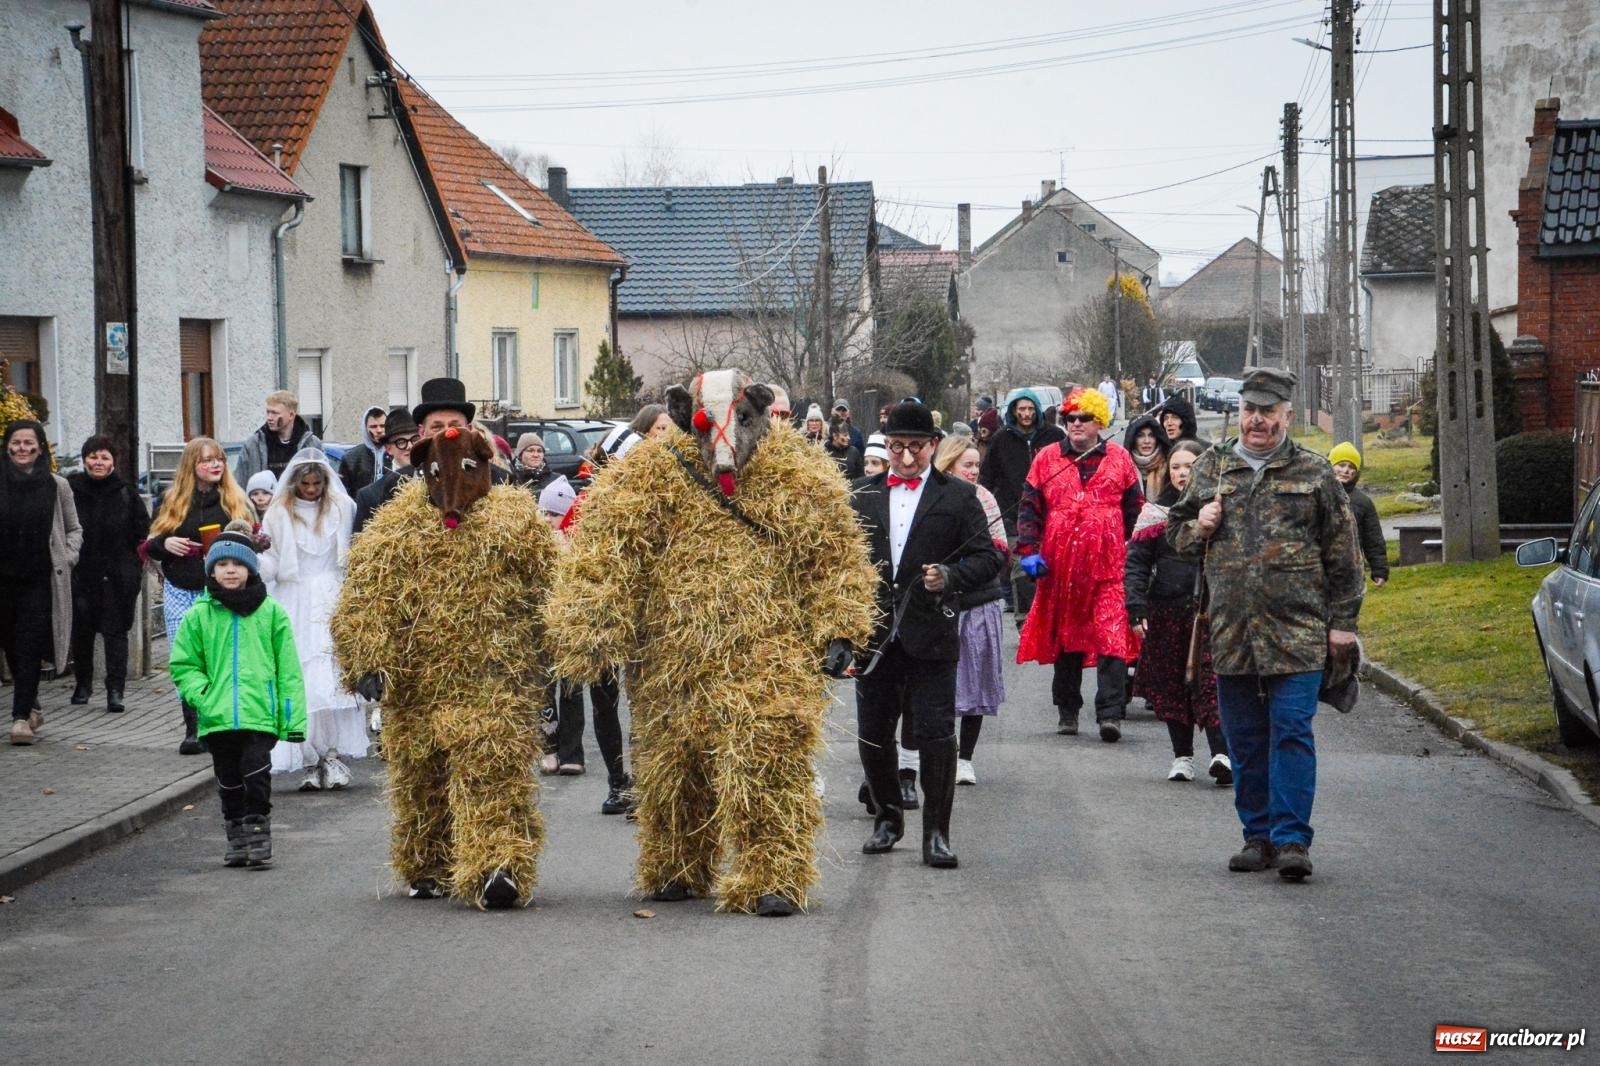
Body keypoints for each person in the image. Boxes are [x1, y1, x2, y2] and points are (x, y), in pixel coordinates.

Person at [545, 369, 878, 916]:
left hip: (766, 654)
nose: (724, 441)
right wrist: (591, 626)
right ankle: (677, 864)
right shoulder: (650, 476)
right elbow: (608, 554)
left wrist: (841, 625)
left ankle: (772, 873)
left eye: (742, 421)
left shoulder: (799, 476)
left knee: (767, 759)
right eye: (706, 426)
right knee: (673, 764)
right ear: (682, 419)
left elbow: (834, 557)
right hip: (671, 657)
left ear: (761, 414)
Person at [332, 377, 561, 909]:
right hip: (417, 680)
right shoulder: (397, 520)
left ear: (473, 433)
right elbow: (366, 595)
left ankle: (496, 864)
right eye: (435, 428)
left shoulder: (512, 515)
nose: (446, 435)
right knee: (423, 778)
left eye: (454, 425)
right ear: (418, 443)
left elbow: (551, 580)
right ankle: (428, 861)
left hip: (494, 675)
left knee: (494, 771)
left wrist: (563, 639)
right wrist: (367, 658)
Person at [1167, 368, 1363, 881]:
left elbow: (1344, 555)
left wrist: (1343, 625)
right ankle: (1257, 836)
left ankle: (1292, 838)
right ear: (1241, 413)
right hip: (1231, 630)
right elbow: (1173, 531)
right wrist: (1197, 526)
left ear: (1286, 415)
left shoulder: (1315, 473)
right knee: (1245, 740)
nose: (1257, 420)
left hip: (1297, 631)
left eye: (1268, 411)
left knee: (1292, 732)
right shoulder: (1214, 466)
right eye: (1250, 410)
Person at [849, 401, 1005, 869]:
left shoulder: (958, 497)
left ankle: (936, 833)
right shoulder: (860, 495)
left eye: (916, 447)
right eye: (897, 448)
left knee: (937, 734)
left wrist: (949, 576)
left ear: (933, 446)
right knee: (874, 732)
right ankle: (888, 819)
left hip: (932, 631)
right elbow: (838, 565)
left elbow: (988, 559)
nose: (907, 458)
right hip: (874, 634)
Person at [169, 524, 306, 868]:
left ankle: (258, 831)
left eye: (238, 564)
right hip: (218, 717)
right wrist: (203, 695)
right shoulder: (199, 615)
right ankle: (236, 834)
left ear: (251, 569)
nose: (230, 570)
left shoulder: (271, 613)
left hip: (259, 712)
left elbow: (288, 669)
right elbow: (184, 664)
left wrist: (292, 719)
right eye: (222, 564)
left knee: (255, 774)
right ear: (212, 570)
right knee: (229, 781)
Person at [1016, 386, 1142, 741]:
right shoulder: (1046, 459)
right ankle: (1067, 709)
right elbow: (1028, 507)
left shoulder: (1119, 459)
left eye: (1083, 418)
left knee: (1112, 637)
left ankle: (1110, 713)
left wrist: (1132, 551)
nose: (1075, 424)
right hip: (1061, 568)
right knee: (1067, 639)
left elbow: (1136, 511)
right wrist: (1029, 550)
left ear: (1099, 421)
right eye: (1069, 418)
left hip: (1109, 567)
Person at [258, 449, 365, 791]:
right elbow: (272, 565)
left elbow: (350, 554)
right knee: (299, 680)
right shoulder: (278, 513)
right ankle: (309, 756)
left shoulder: (341, 508)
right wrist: (252, 555)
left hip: (331, 596)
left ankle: (332, 754)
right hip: (294, 599)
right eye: (304, 483)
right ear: (294, 482)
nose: (311, 489)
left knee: (331, 677)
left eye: (316, 483)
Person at [1125, 439, 1230, 785]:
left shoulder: (1221, 507)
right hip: (1167, 609)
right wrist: (1136, 606)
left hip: (1212, 611)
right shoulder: (1156, 511)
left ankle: (1222, 753)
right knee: (1173, 684)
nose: (1183, 473)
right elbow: (1137, 563)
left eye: (1190, 465)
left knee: (1212, 683)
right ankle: (1182, 756)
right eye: (1176, 467)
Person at [146, 437, 255, 753]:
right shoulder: (173, 501)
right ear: (192, 466)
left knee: (219, 660)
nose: (215, 465)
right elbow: (148, 545)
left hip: (221, 593)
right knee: (186, 658)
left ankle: (217, 724)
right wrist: (165, 545)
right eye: (207, 460)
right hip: (181, 590)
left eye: (219, 459)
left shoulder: (234, 501)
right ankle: (192, 727)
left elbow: (253, 542)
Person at [933, 434, 1008, 786]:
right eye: (968, 465)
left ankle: (966, 758)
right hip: (938, 605)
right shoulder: (932, 497)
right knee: (939, 687)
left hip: (978, 602)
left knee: (975, 685)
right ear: (949, 464)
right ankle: (936, 753)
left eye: (977, 465)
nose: (974, 471)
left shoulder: (987, 500)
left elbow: (999, 553)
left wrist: (968, 567)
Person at [2, 421, 81, 745]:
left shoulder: (56, 485)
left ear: (40, 447)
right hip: (3, 580)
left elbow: (75, 529)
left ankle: (20, 718)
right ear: (7, 446)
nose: (22, 448)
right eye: (16, 442)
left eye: (28, 443)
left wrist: (67, 556)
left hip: (40, 580)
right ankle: (31, 704)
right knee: (9, 644)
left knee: (29, 645)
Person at [67, 435, 150, 714]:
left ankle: (115, 689)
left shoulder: (126, 492)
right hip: (82, 571)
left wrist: (133, 569)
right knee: (81, 631)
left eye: (104, 457)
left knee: (116, 633)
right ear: (84, 459)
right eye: (93, 456)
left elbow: (142, 534)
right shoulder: (72, 489)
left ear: (113, 461)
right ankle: (83, 683)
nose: (98, 462)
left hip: (117, 575)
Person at [978, 388, 1066, 627]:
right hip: (1014, 513)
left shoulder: (1054, 436)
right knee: (1022, 569)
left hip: (1053, 512)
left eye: (1030, 409)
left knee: (1053, 567)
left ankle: (1053, 618)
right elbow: (987, 476)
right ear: (1014, 411)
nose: (1026, 414)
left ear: (1037, 411)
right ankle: (1025, 620)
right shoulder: (1001, 439)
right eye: (1021, 409)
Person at [1329, 442, 1389, 587]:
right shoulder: (1317, 495)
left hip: (1351, 569)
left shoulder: (1363, 502)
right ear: (1330, 466)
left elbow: (1373, 539)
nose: (1346, 470)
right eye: (1341, 465)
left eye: (1351, 467)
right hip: (1319, 568)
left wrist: (1379, 570)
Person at [353, 407, 419, 535]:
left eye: (415, 439)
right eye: (401, 442)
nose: (410, 446)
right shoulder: (369, 496)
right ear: (388, 448)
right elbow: (360, 546)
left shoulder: (436, 482)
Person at [236, 390, 322, 483]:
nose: (269, 417)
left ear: (291, 415)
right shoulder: (253, 445)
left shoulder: (312, 445)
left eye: (274, 413)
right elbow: (239, 485)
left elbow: (323, 482)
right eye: (268, 412)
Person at [338, 406, 390, 499]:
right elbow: (343, 494)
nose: (379, 430)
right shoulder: (351, 458)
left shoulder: (396, 454)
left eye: (382, 426)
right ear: (365, 428)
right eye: (373, 426)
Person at [1123, 413, 1171, 502]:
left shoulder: (1169, 466)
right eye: (1140, 436)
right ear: (1133, 439)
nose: (1147, 441)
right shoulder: (1123, 467)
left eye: (1151, 435)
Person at [511, 433, 560, 498]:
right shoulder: (510, 479)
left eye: (539, 451)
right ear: (520, 454)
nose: (536, 455)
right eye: (530, 451)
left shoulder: (556, 480)